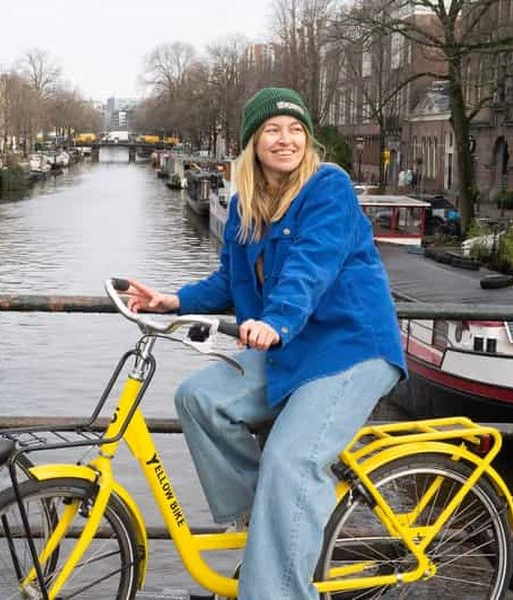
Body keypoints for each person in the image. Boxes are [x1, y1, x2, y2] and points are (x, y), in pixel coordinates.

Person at [126, 87, 407, 600]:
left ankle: (278, 581)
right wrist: (171, 300)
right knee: (198, 398)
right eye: (273, 130)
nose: (286, 139)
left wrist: (276, 320)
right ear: (252, 143)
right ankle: (271, 523)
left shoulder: (329, 187)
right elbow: (229, 282)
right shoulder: (243, 207)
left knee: (289, 461)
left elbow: (312, 265)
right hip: (288, 349)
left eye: (296, 129)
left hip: (350, 348)